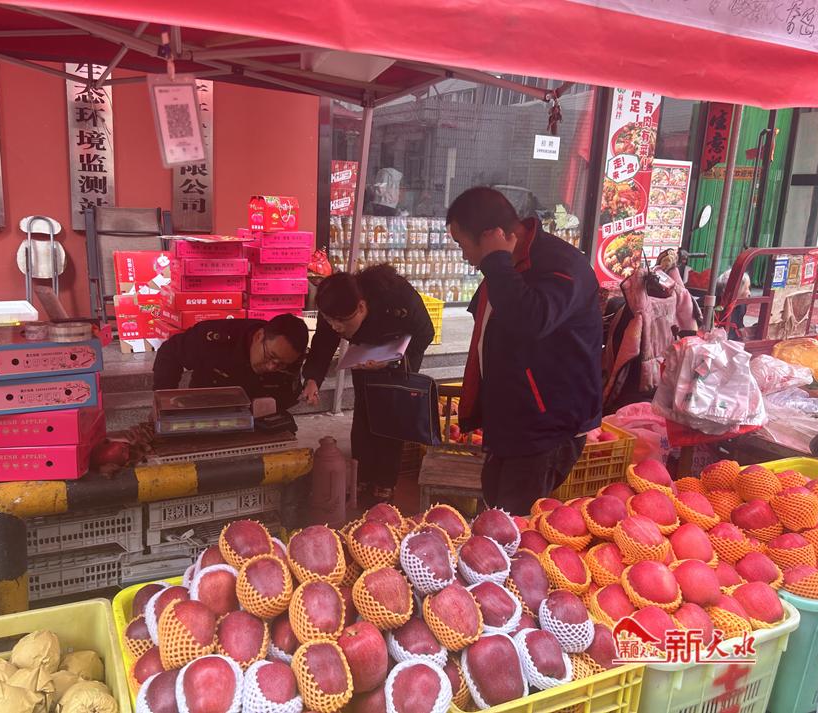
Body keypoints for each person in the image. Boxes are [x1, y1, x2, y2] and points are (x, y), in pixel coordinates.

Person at [446, 187, 602, 515]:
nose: (463, 255)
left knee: (514, 524)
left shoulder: (561, 266)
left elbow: (531, 320)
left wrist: (496, 262)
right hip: (511, 419)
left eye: (462, 244)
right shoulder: (506, 267)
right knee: (496, 510)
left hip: (545, 427)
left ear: (490, 236)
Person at [301, 264, 434, 504]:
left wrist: (393, 360)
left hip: (399, 357)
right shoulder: (336, 306)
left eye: (341, 322)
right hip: (364, 357)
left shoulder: (397, 295)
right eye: (330, 320)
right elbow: (322, 344)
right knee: (364, 412)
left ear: (361, 307)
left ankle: (385, 481)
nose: (336, 327)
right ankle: (362, 475)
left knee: (391, 417)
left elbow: (425, 333)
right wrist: (312, 379)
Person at [152, 314, 309, 410]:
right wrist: (163, 400)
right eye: (270, 356)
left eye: (281, 364)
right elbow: (169, 353)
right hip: (205, 412)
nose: (271, 366)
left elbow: (286, 399)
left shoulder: (290, 359)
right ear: (259, 336)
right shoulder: (216, 338)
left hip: (258, 420)